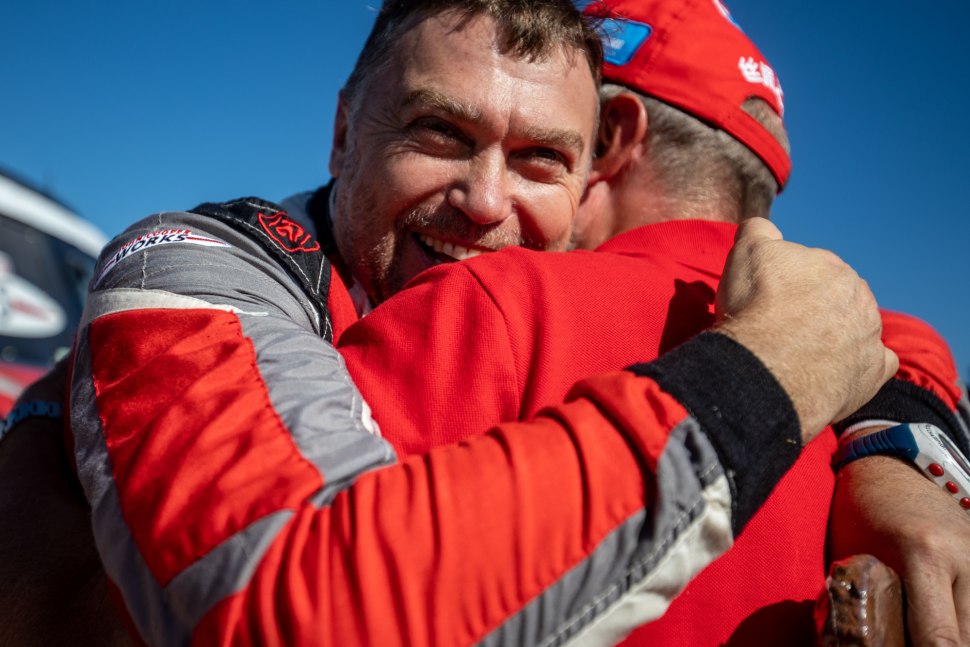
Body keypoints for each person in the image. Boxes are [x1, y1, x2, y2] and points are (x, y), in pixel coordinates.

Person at [0, 1, 948, 645]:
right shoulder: (190, 264)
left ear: (596, 169)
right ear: (343, 132)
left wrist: (899, 446)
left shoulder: (536, 296)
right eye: (441, 133)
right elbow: (307, 610)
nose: (486, 203)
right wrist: (764, 379)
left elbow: (883, 332)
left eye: (541, 159)